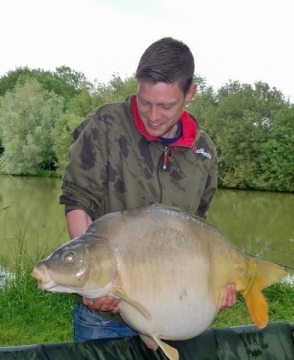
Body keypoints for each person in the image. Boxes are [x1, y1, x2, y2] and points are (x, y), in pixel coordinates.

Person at [59, 37, 237, 342]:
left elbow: (196, 232)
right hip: (102, 316)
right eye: (145, 102)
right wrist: (94, 277)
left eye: (166, 106)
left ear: (190, 93)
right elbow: (77, 200)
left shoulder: (203, 152)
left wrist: (217, 282)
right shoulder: (106, 126)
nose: (153, 116)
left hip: (169, 312)